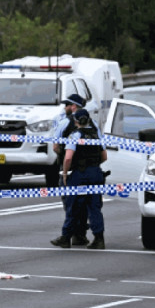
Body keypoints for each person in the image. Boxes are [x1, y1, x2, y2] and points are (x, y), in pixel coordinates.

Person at [51, 109, 107, 249]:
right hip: (95, 173)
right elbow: (104, 156)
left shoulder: (75, 135)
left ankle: (66, 238)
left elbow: (68, 157)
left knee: (73, 206)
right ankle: (99, 239)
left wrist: (64, 174)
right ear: (89, 120)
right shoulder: (96, 135)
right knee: (94, 207)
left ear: (76, 121)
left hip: (79, 174)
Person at [52, 93, 89, 245]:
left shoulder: (64, 123)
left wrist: (66, 157)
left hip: (69, 169)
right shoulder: (92, 124)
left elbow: (55, 147)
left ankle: (70, 235)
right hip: (88, 170)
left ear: (73, 107)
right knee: (84, 203)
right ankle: (80, 234)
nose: (65, 107)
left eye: (67, 104)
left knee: (70, 203)